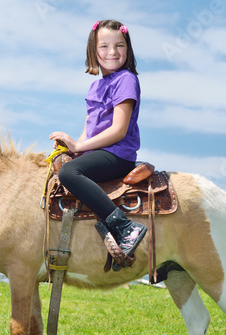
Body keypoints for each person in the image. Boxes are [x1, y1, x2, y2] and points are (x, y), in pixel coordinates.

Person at [49, 19, 146, 270]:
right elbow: (88, 130)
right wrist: (72, 147)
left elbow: (118, 130)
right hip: (99, 152)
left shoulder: (125, 79)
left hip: (117, 154)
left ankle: (125, 227)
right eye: (104, 46)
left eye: (120, 45)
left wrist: (79, 149)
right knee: (60, 166)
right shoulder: (95, 86)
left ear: (128, 49)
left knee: (69, 172)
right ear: (93, 51)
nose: (112, 52)